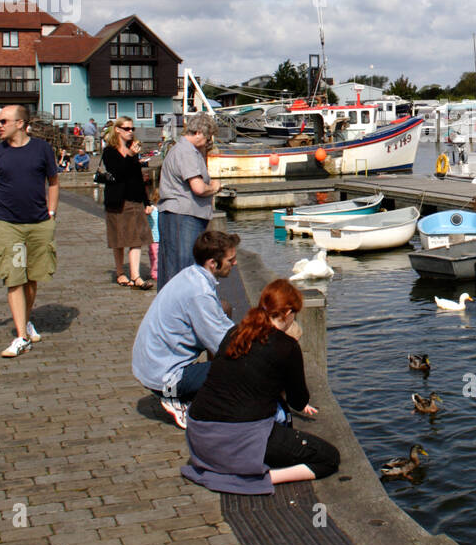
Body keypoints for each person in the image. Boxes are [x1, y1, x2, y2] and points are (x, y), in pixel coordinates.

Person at [182, 278, 339, 494]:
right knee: (328, 457)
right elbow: (298, 400)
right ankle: (262, 477)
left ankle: (241, 467)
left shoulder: (235, 333)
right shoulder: (287, 346)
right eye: (295, 314)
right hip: (238, 440)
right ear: (287, 314)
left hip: (200, 437)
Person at [0, 104, 59, 358]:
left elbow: (53, 182)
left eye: (3, 121)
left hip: (39, 224)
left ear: (20, 123)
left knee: (32, 278)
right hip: (8, 224)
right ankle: (21, 336)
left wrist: (51, 213)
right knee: (14, 277)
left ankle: (26, 320)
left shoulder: (42, 149)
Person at [132, 230, 241, 428]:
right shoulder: (200, 293)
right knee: (241, 369)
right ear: (212, 264)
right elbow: (227, 342)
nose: (235, 264)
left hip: (152, 365)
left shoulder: (192, 274)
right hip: (163, 374)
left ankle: (203, 390)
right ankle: (177, 397)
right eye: (230, 260)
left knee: (223, 307)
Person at [156, 114, 222, 290]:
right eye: (208, 137)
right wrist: (214, 187)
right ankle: (180, 308)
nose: (209, 142)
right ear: (199, 133)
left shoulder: (183, 149)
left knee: (172, 264)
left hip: (178, 214)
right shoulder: (186, 152)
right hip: (183, 215)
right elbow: (198, 187)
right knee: (183, 266)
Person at [102, 118, 153, 289]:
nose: (130, 131)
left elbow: (137, 176)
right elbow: (118, 173)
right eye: (126, 128)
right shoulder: (109, 151)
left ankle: (136, 276)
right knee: (119, 239)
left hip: (135, 199)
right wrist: (130, 155)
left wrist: (147, 201)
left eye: (132, 128)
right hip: (117, 199)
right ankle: (120, 273)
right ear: (117, 130)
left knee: (136, 238)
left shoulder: (133, 150)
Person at [146, 185, 160, 282]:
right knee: (154, 255)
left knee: (157, 255)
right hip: (153, 238)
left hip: (161, 237)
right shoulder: (153, 209)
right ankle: (154, 271)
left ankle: (156, 271)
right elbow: (147, 211)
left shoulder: (163, 211)